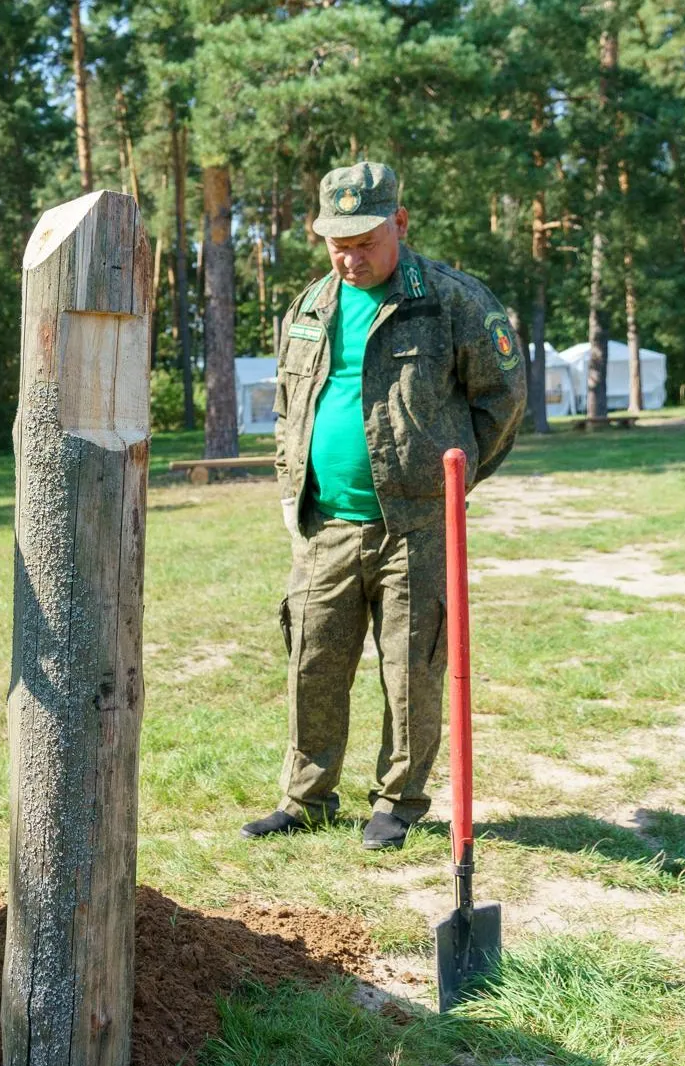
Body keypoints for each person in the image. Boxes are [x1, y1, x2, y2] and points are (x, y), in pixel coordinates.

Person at [240, 162, 527, 851]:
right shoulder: (310, 306)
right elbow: (289, 405)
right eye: (337, 243)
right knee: (311, 664)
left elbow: (503, 399)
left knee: (410, 669)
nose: (350, 256)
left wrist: (448, 482)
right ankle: (305, 798)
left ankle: (398, 802)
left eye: (365, 240)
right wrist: (292, 484)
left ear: (399, 223)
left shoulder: (450, 300)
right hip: (325, 525)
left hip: (417, 526)